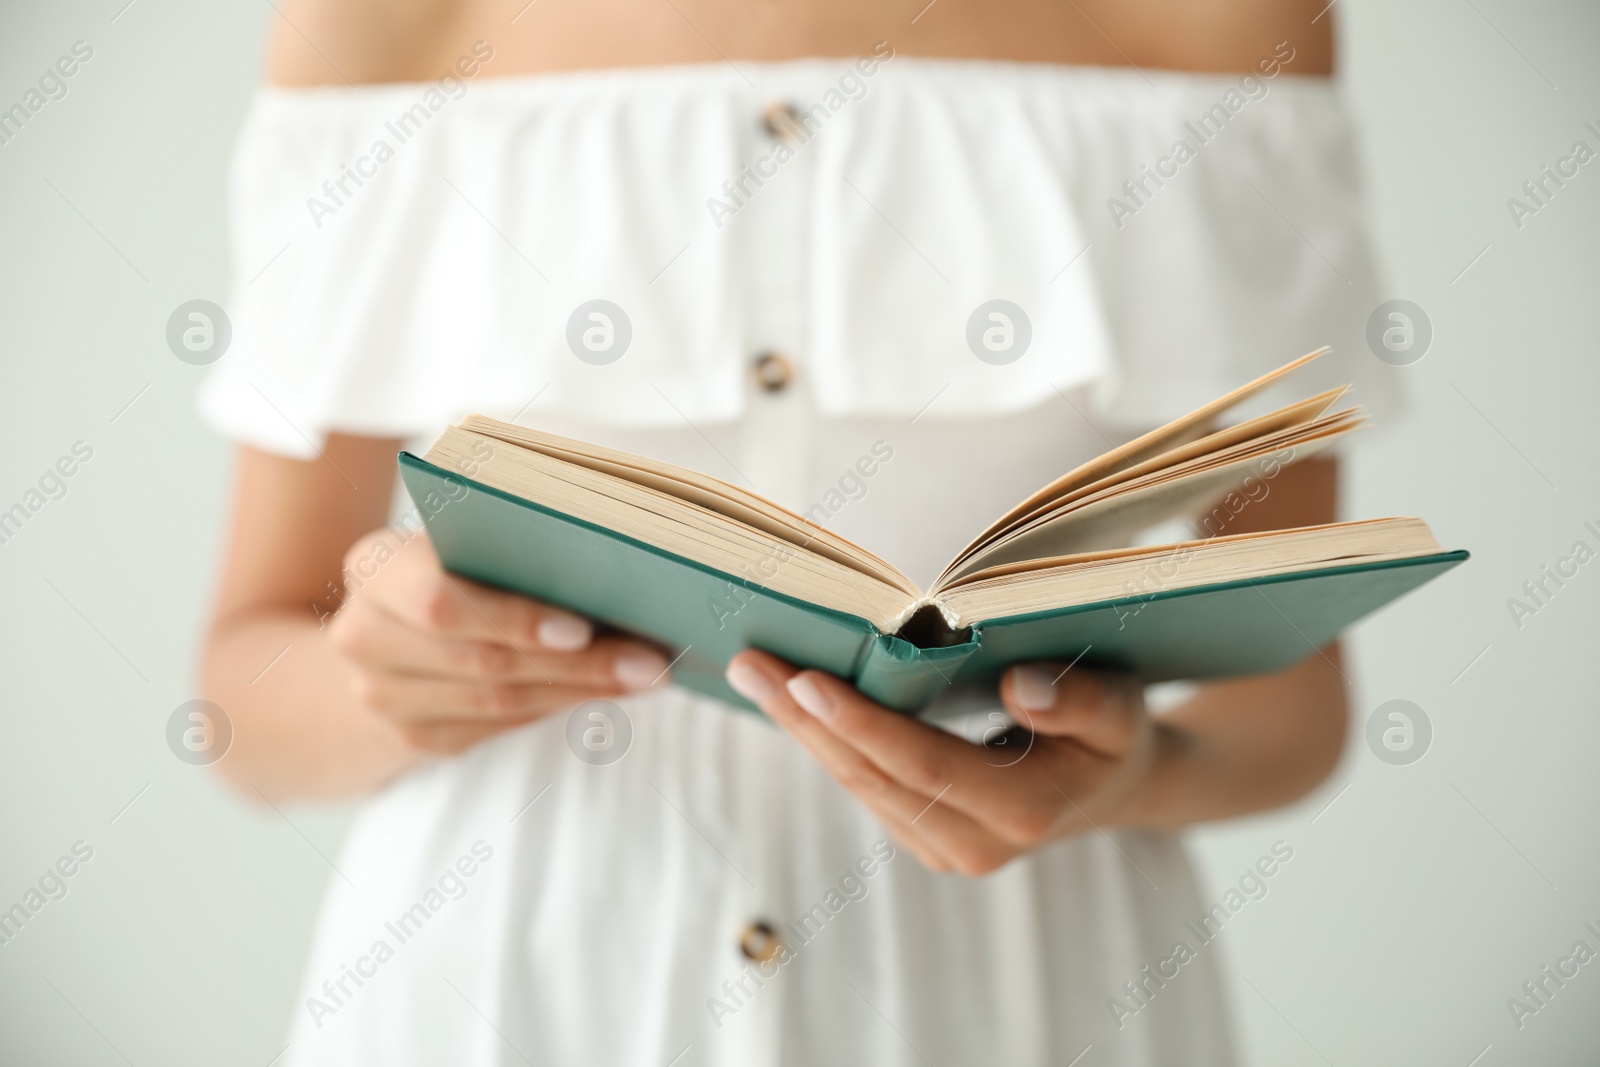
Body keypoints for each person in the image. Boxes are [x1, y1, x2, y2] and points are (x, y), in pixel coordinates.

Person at [199, 0, 1397, 1061]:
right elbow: (238, 700)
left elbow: (1291, 703)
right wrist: (384, 676)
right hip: (508, 986)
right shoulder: (375, 21)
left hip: (1026, 987)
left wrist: (1132, 775)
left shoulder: (1220, 22)